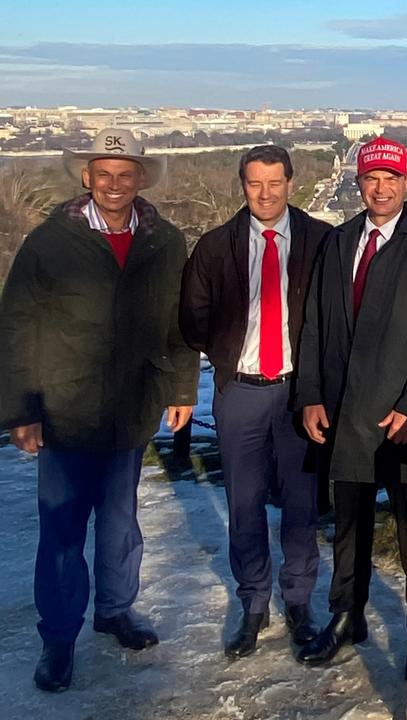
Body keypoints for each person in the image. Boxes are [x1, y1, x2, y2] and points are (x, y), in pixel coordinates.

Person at [0, 128, 198, 692]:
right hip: (64, 408)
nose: (114, 184)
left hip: (131, 406)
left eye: (125, 173)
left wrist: (182, 388)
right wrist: (21, 408)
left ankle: (114, 610)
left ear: (140, 178)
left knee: (119, 522)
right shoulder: (50, 241)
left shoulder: (165, 242)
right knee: (62, 531)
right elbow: (16, 325)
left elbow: (176, 323)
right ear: (86, 177)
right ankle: (58, 638)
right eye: (103, 173)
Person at [294, 137, 407, 674]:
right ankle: (346, 614)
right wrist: (311, 395)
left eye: (391, 178)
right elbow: (316, 323)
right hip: (344, 409)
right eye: (372, 178)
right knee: (349, 523)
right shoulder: (340, 242)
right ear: (358, 182)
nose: (381, 187)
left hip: (404, 419)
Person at [180, 145, 333, 659]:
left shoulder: (320, 241)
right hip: (239, 390)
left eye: (274, 183)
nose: (264, 194)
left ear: (291, 182)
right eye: (254, 184)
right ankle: (252, 603)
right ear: (241, 185)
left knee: (300, 503)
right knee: (243, 504)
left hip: (299, 393)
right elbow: (193, 317)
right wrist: (227, 353)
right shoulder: (216, 246)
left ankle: (299, 601)